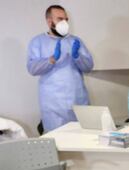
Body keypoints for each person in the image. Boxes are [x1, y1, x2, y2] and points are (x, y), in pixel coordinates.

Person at [27, 5, 93, 133]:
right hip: (53, 104)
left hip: (78, 100)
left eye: (66, 19)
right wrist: (51, 59)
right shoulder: (37, 42)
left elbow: (88, 67)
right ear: (49, 21)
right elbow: (32, 68)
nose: (64, 23)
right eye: (60, 19)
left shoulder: (75, 41)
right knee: (58, 141)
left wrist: (77, 56)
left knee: (81, 138)